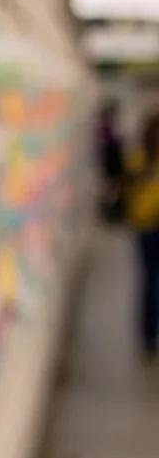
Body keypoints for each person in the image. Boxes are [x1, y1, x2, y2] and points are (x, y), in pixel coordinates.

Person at [124, 110, 159, 357]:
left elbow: (128, 191)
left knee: (149, 280)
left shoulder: (137, 158)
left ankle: (148, 336)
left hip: (144, 226)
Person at [96, 99, 124, 222]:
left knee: (112, 186)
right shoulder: (107, 126)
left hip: (111, 158)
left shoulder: (106, 126)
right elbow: (112, 142)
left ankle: (110, 209)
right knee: (112, 186)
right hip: (112, 158)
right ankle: (110, 210)